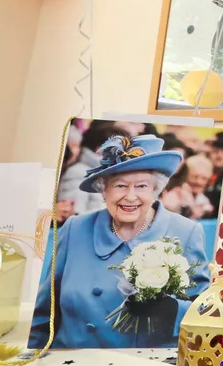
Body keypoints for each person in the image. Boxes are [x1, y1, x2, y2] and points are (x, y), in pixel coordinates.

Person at [30, 135, 211, 349]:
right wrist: (32, 354)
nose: (130, 196)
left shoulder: (185, 232)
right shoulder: (75, 229)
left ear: (156, 191)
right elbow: (45, 312)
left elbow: (204, 313)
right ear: (103, 191)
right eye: (120, 186)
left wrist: (170, 309)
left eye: (142, 186)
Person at [160, 154, 216, 220]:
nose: (199, 182)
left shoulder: (203, 199)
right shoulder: (174, 194)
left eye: (204, 178)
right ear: (185, 176)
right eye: (195, 177)